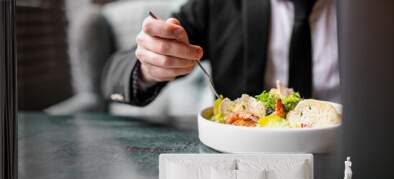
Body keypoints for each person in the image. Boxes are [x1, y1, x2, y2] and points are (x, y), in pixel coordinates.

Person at [102, 0, 339, 107]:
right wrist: (149, 67)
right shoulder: (218, 4)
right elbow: (114, 73)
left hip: (354, 153)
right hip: (245, 162)